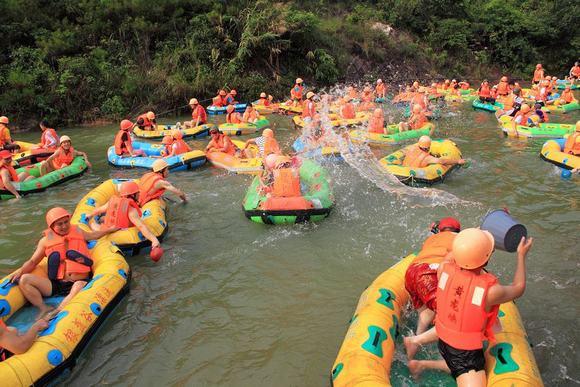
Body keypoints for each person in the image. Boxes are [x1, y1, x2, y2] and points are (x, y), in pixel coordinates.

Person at [404, 229, 533, 384]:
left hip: (443, 341)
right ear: (486, 258)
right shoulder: (491, 292)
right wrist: (521, 255)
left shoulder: (444, 269)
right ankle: (425, 363)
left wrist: (468, 241)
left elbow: (451, 256)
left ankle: (422, 364)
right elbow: (519, 287)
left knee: (457, 364)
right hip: (465, 351)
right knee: (475, 370)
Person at [10, 207, 117, 319]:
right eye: (59, 224)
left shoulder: (78, 231)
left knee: (78, 286)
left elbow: (94, 235)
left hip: (79, 280)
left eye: (66, 222)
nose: (64, 226)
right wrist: (20, 272)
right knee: (25, 279)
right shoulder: (45, 241)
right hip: (57, 284)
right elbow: (33, 261)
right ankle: (43, 308)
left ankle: (57, 312)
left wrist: (110, 230)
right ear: (51, 226)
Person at [405, 218, 461, 335]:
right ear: (458, 231)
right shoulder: (459, 239)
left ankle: (415, 341)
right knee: (449, 314)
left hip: (412, 271)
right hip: (428, 273)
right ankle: (417, 341)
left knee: (426, 313)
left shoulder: (431, 239)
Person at [89, 181, 161, 249]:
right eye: (138, 192)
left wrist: (89, 215)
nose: (139, 194)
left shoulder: (113, 201)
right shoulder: (132, 210)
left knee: (102, 220)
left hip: (106, 227)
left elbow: (99, 210)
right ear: (132, 195)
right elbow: (141, 226)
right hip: (118, 234)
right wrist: (154, 240)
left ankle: (95, 224)